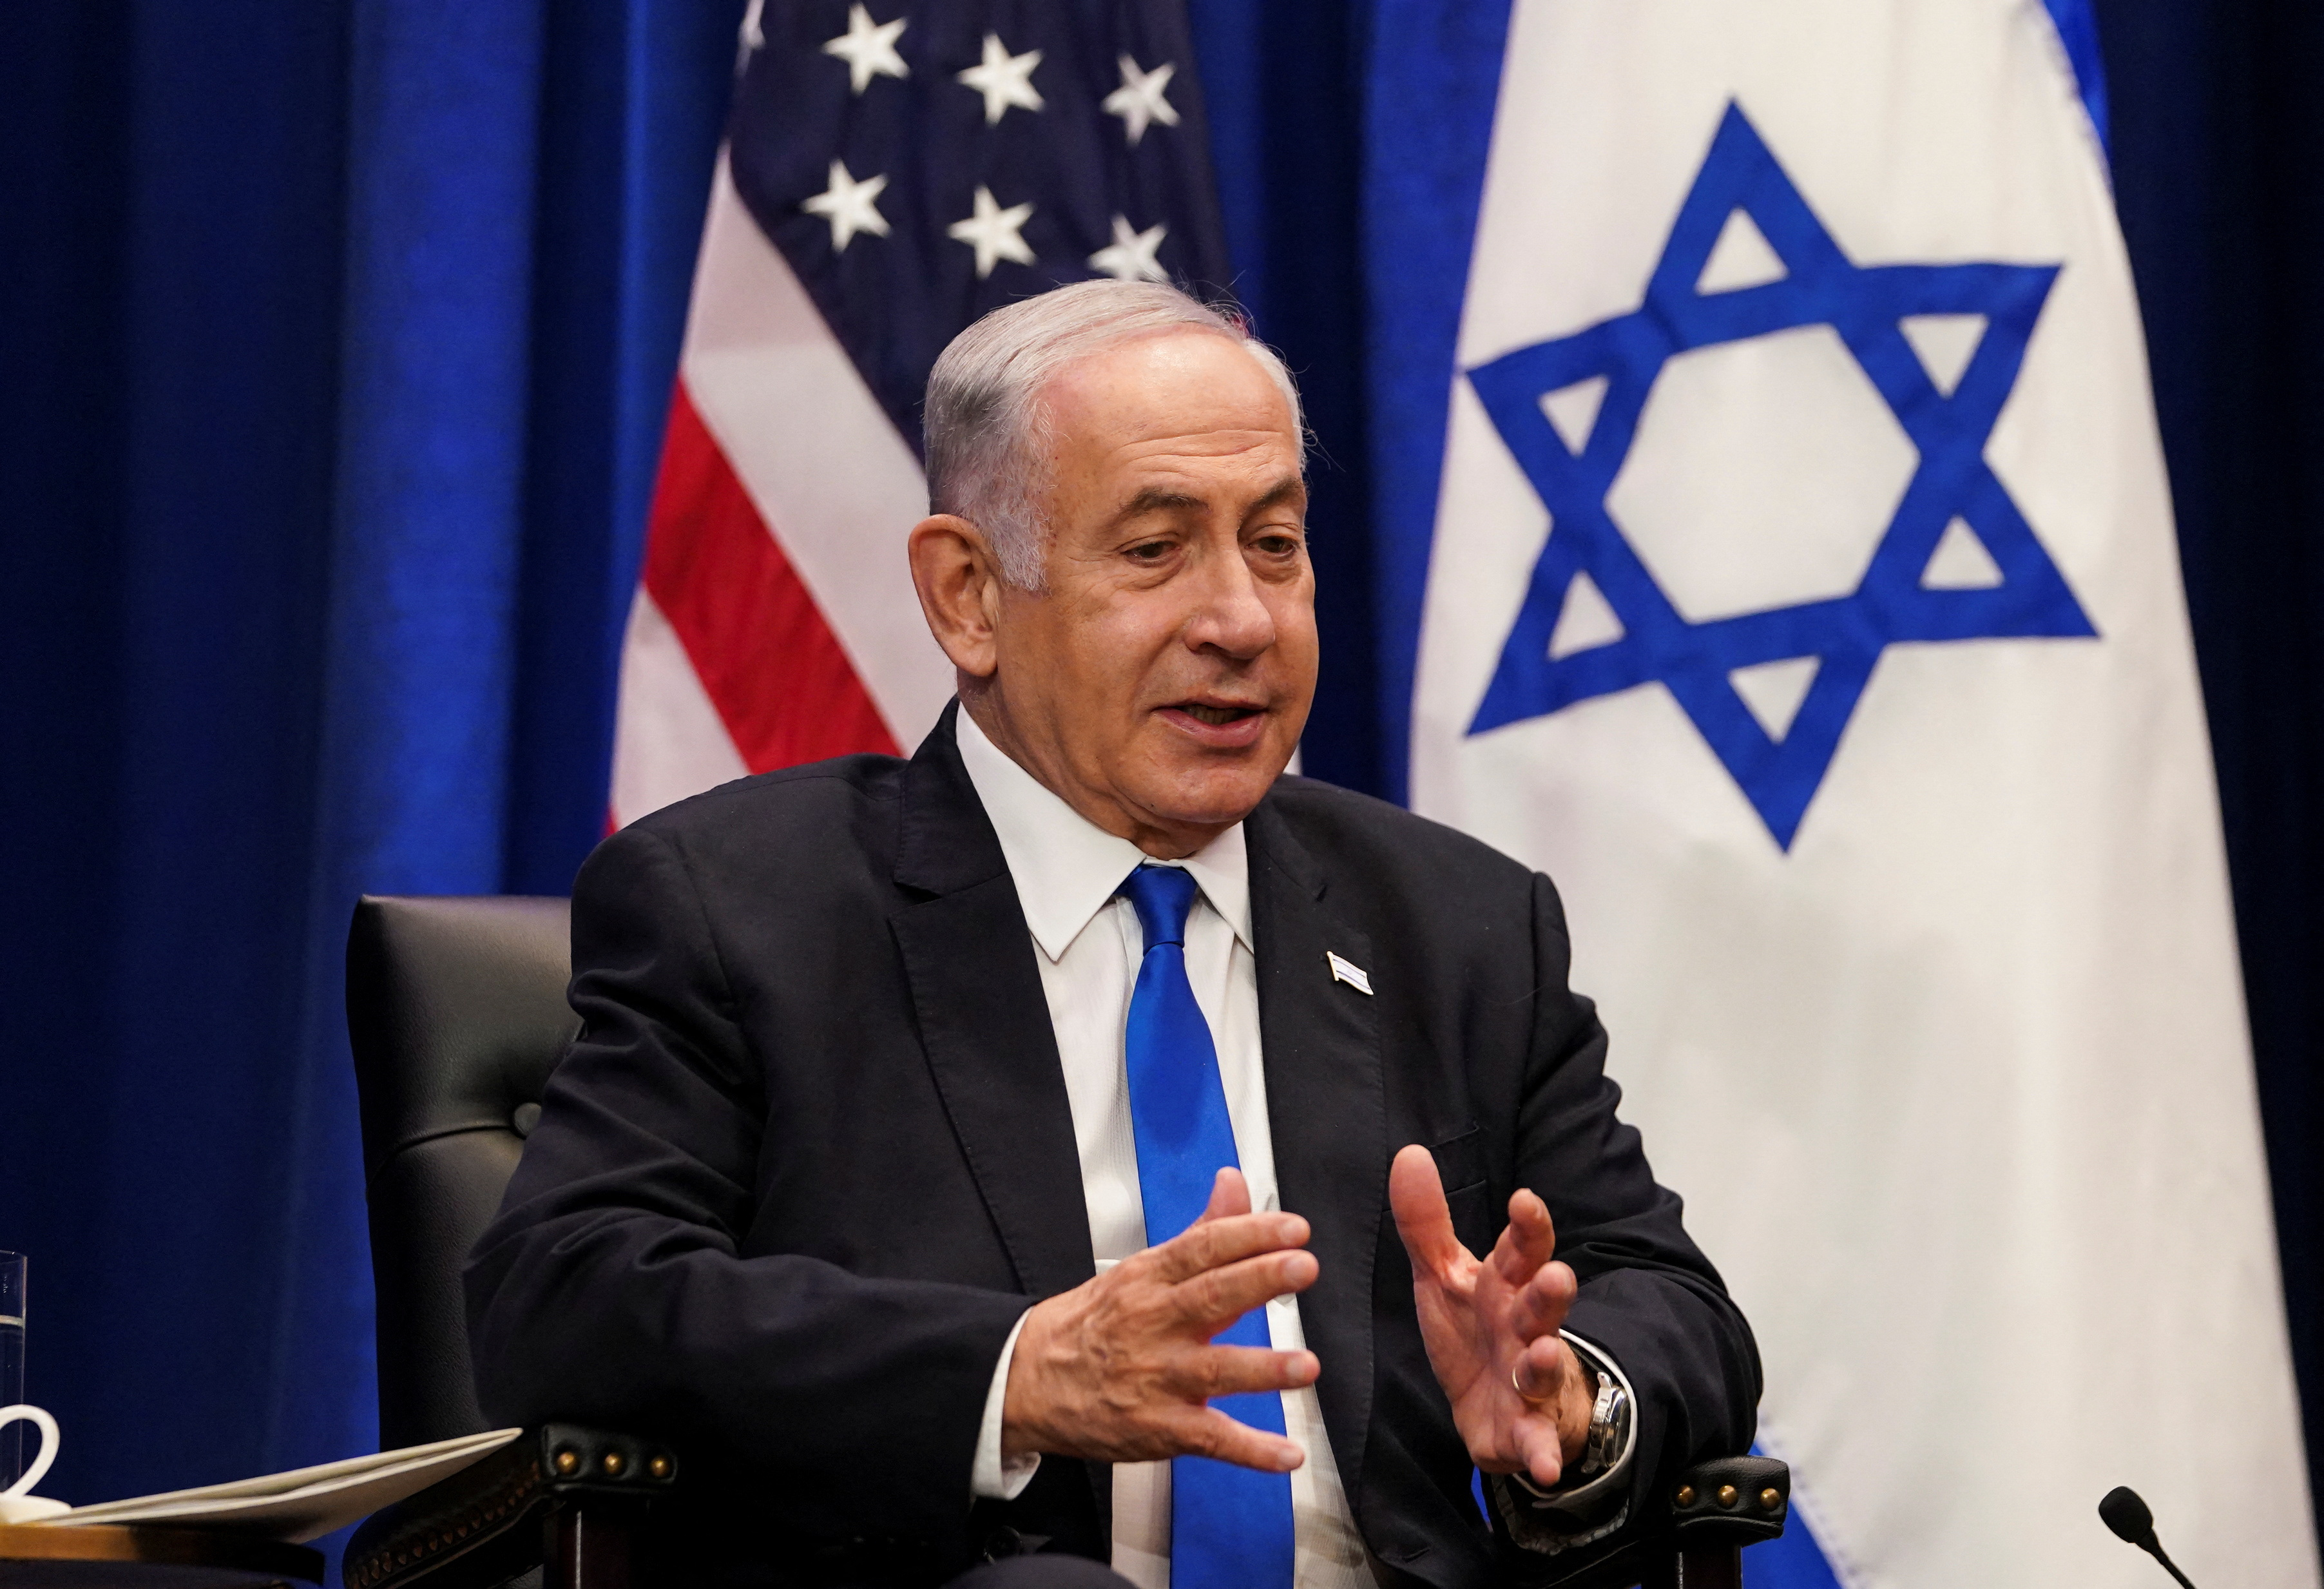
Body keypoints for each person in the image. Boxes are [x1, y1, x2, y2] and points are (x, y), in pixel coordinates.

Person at [465, 280, 1758, 1589]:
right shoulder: (742, 907)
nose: (1241, 621)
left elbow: (1676, 1303)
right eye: (1154, 551)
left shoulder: (1459, 924)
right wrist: (1015, 1376)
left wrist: (1571, 1398)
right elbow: (568, 1293)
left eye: (1273, 543)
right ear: (967, 594)